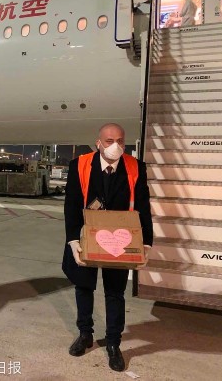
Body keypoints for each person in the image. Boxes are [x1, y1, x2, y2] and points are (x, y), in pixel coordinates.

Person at [62, 123, 153, 372]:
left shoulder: (136, 167)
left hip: (119, 241)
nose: (116, 146)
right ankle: (85, 334)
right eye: (110, 141)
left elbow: (143, 206)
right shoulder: (79, 165)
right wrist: (72, 241)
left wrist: (146, 243)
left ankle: (113, 343)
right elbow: (71, 204)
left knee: (115, 293)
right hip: (87, 237)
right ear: (98, 143)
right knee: (83, 287)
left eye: (120, 141)